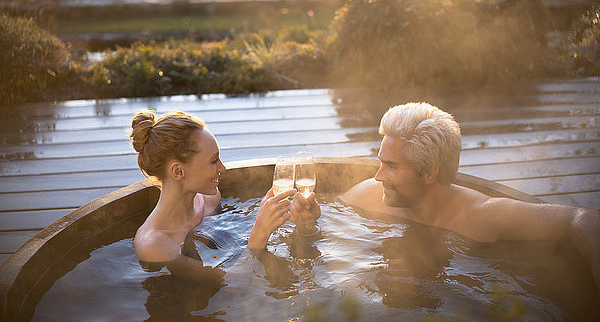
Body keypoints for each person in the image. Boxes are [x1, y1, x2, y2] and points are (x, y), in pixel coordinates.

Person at [291, 102, 600, 288]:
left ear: (429, 173)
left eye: (391, 166)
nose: (378, 176)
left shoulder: (481, 216)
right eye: (380, 162)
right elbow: (326, 229)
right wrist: (309, 223)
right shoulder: (368, 196)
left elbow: (581, 219)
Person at [130, 110, 295, 281]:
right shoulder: (153, 244)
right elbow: (228, 284)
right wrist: (260, 232)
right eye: (214, 161)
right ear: (178, 171)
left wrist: (306, 224)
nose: (222, 168)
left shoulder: (210, 200)